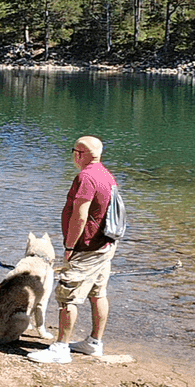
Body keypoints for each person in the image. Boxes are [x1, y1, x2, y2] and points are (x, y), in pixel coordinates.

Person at [27, 136, 117, 364]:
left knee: (68, 296)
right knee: (98, 293)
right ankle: (94, 343)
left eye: (74, 151)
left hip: (86, 247)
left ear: (80, 154)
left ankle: (60, 348)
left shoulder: (86, 177)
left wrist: (70, 246)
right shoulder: (106, 174)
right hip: (104, 245)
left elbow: (80, 214)